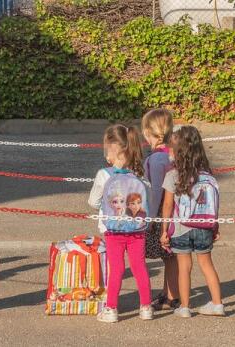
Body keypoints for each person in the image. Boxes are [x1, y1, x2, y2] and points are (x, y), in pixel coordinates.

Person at [88, 124, 153, 323]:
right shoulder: (139, 175)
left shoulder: (104, 174)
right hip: (137, 230)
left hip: (113, 230)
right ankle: (146, 307)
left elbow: (92, 202)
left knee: (116, 268)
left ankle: (112, 309)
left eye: (106, 150)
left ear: (112, 152)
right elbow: (147, 200)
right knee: (139, 267)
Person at [160, 126, 224, 318]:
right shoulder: (208, 175)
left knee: (184, 267)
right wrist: (215, 227)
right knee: (207, 264)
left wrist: (164, 230)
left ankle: (185, 307)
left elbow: (168, 205)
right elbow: (213, 205)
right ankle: (217, 304)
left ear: (178, 150)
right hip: (204, 227)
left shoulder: (173, 175)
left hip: (181, 228)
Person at [141, 108, 180, 311]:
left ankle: (172, 295)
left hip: (161, 213)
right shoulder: (171, 154)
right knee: (170, 256)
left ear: (150, 132)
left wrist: (149, 219)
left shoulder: (157, 159)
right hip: (174, 210)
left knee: (168, 255)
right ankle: (168, 292)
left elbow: (156, 192)